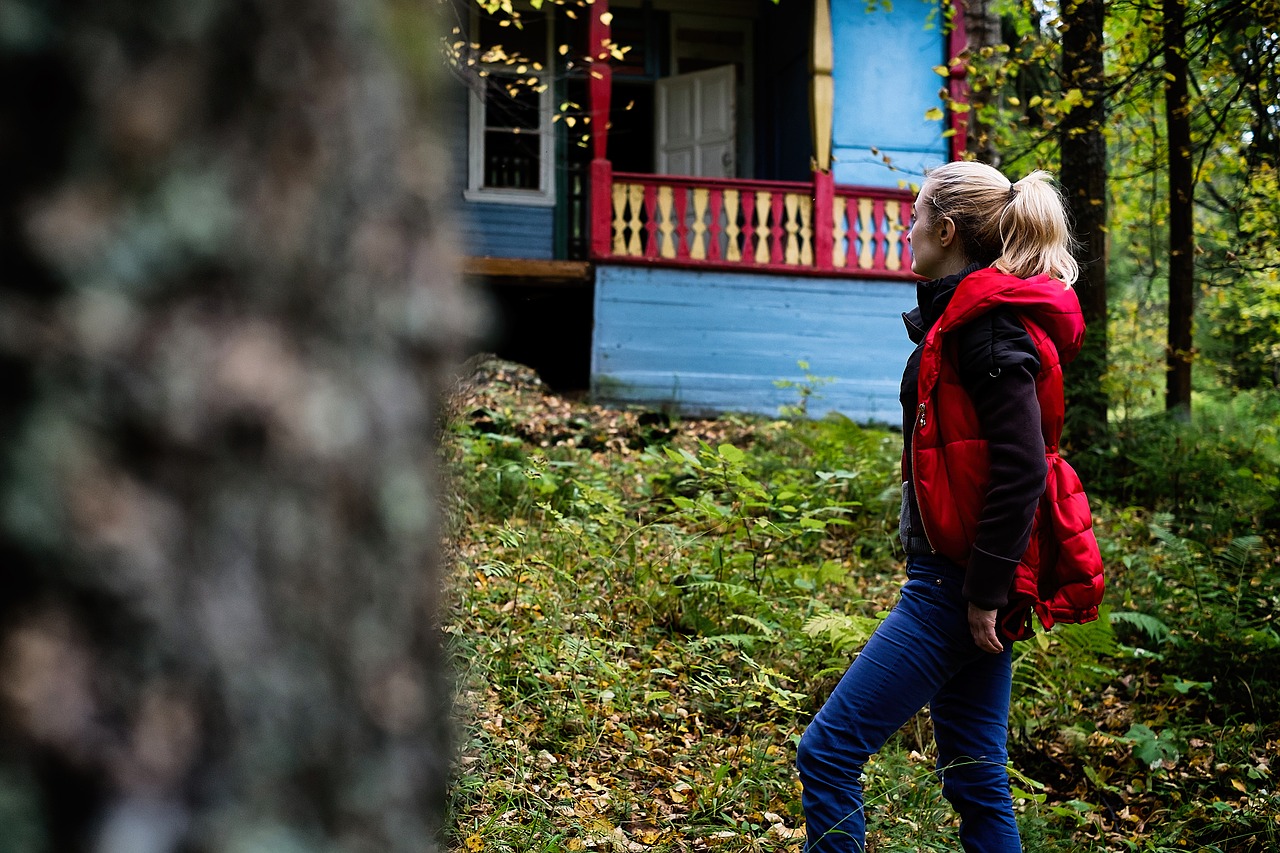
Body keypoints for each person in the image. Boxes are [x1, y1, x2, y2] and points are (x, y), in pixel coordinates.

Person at [795, 161, 1105, 852]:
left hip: (955, 588)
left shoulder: (986, 329)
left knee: (828, 751)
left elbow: (1023, 467)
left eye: (914, 216)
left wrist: (985, 591)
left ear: (946, 228)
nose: (906, 229)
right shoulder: (969, 318)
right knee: (975, 774)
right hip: (965, 583)